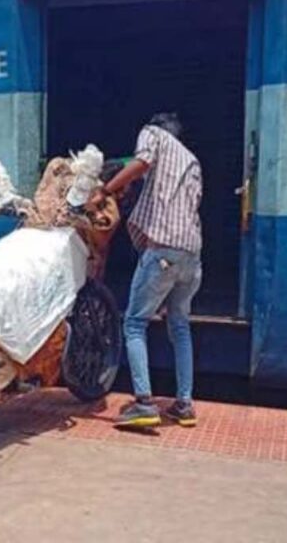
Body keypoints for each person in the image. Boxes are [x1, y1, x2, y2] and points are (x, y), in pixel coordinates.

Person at [96, 113, 203, 429]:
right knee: (180, 326)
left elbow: (141, 162)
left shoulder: (152, 134)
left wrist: (105, 189)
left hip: (163, 251)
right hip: (192, 255)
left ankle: (143, 403)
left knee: (134, 323)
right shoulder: (192, 161)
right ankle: (184, 404)